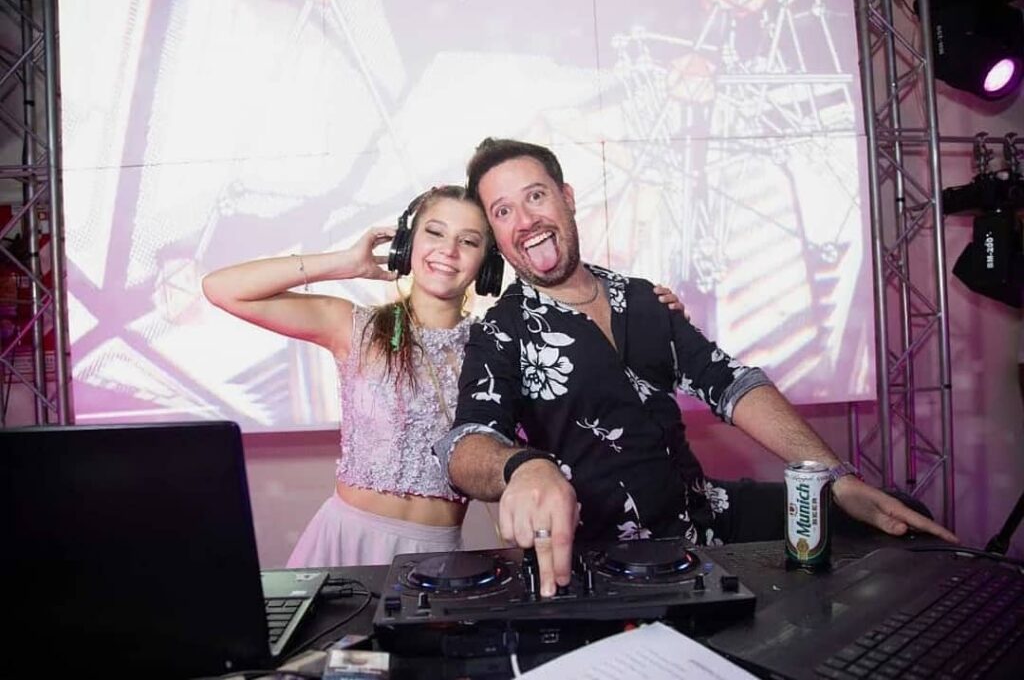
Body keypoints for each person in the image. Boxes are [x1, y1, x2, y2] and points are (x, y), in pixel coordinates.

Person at [434, 138, 959, 597]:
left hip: (707, 516)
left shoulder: (643, 298)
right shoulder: (500, 330)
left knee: (891, 515)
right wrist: (522, 466)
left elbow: (731, 383)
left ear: (567, 198)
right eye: (503, 211)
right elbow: (466, 445)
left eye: (535, 196)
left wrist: (836, 478)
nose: (525, 221)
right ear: (496, 235)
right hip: (610, 557)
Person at [203, 185, 686, 567]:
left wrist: (650, 318)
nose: (448, 251)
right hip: (345, 540)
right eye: (434, 233)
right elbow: (222, 289)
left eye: (469, 241)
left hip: (438, 557)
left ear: (486, 263)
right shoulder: (356, 327)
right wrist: (345, 262)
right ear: (408, 243)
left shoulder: (499, 346)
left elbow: (601, 386)